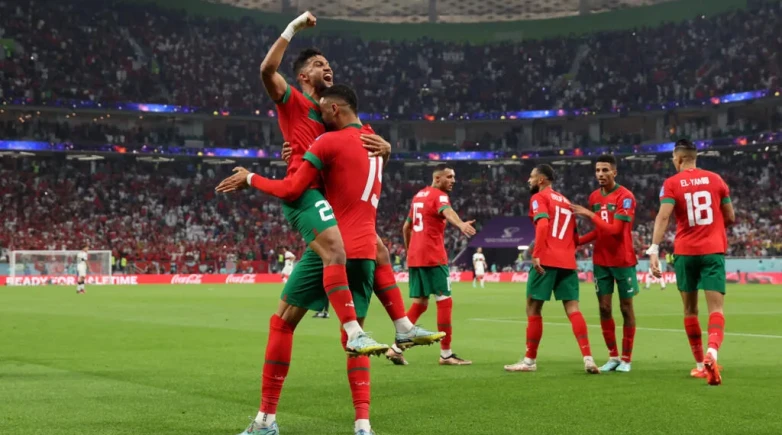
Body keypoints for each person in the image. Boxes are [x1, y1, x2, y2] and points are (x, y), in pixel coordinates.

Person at [220, 84, 403, 435]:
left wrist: (251, 177)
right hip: (362, 246)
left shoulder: (327, 139)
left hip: (330, 241)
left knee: (283, 323)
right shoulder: (369, 138)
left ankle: (266, 421)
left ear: (334, 109)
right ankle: (363, 425)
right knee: (355, 338)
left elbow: (293, 189)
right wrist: (294, 154)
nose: (318, 113)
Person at [268, 11, 434, 349]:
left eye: (329, 64)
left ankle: (394, 328)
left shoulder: (334, 116)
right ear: (303, 76)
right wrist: (293, 27)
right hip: (308, 197)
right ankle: (361, 331)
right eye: (319, 64)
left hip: (334, 202)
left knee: (377, 249)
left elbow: (363, 159)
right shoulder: (295, 101)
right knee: (339, 254)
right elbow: (267, 71)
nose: (327, 68)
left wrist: (388, 150)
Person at [647, 139, 735, 386]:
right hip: (712, 250)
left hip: (685, 252)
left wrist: (654, 249)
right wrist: (713, 229)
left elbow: (664, 216)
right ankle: (712, 353)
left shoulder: (671, 183)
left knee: (690, 310)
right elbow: (730, 216)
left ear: (678, 159)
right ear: (695, 157)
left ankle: (699, 365)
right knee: (716, 309)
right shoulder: (716, 180)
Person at [504, 164, 599, 374]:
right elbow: (576, 240)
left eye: (531, 176)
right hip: (568, 262)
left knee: (533, 307)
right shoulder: (566, 202)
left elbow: (543, 224)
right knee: (573, 309)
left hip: (546, 259)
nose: (529, 180)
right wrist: (598, 233)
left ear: (541, 180)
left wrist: (536, 253)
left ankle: (529, 361)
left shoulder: (539, 198)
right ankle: (588, 359)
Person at [385, 164, 477, 366]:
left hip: (416, 257)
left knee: (420, 303)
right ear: (437, 178)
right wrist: (461, 224)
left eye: (454, 177)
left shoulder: (418, 196)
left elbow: (406, 227)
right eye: (449, 177)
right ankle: (446, 354)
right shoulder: (439, 196)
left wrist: (410, 250)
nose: (453, 180)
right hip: (433, 256)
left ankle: (396, 348)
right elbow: (447, 211)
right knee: (444, 301)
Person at [572, 155, 639, 373]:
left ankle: (626, 359)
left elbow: (615, 231)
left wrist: (589, 214)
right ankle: (613, 356)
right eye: (598, 170)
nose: (600, 174)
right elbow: (600, 231)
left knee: (626, 308)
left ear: (614, 172)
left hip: (622, 260)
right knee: (604, 308)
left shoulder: (625, 197)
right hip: (601, 261)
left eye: (605, 170)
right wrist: (578, 242)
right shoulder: (594, 197)